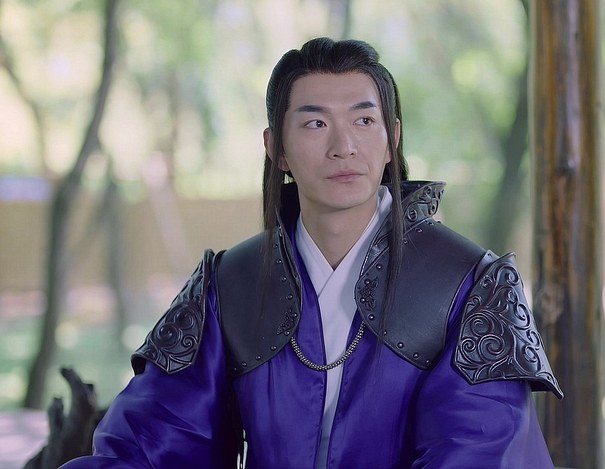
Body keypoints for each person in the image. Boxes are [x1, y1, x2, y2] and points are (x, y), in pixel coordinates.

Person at [60, 37, 562, 469]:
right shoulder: (228, 285)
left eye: (364, 120)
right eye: (315, 124)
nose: (344, 146)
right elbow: (151, 442)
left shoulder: (469, 284)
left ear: (392, 138)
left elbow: (481, 450)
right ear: (276, 148)